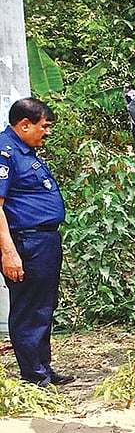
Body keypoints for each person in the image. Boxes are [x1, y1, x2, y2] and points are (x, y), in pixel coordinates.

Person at [0, 98, 75, 388]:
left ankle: (43, 368)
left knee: (43, 306)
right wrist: (9, 252)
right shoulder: (5, 152)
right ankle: (33, 377)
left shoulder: (25, 151)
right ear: (25, 124)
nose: (47, 133)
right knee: (29, 308)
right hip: (25, 241)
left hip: (43, 239)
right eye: (44, 127)